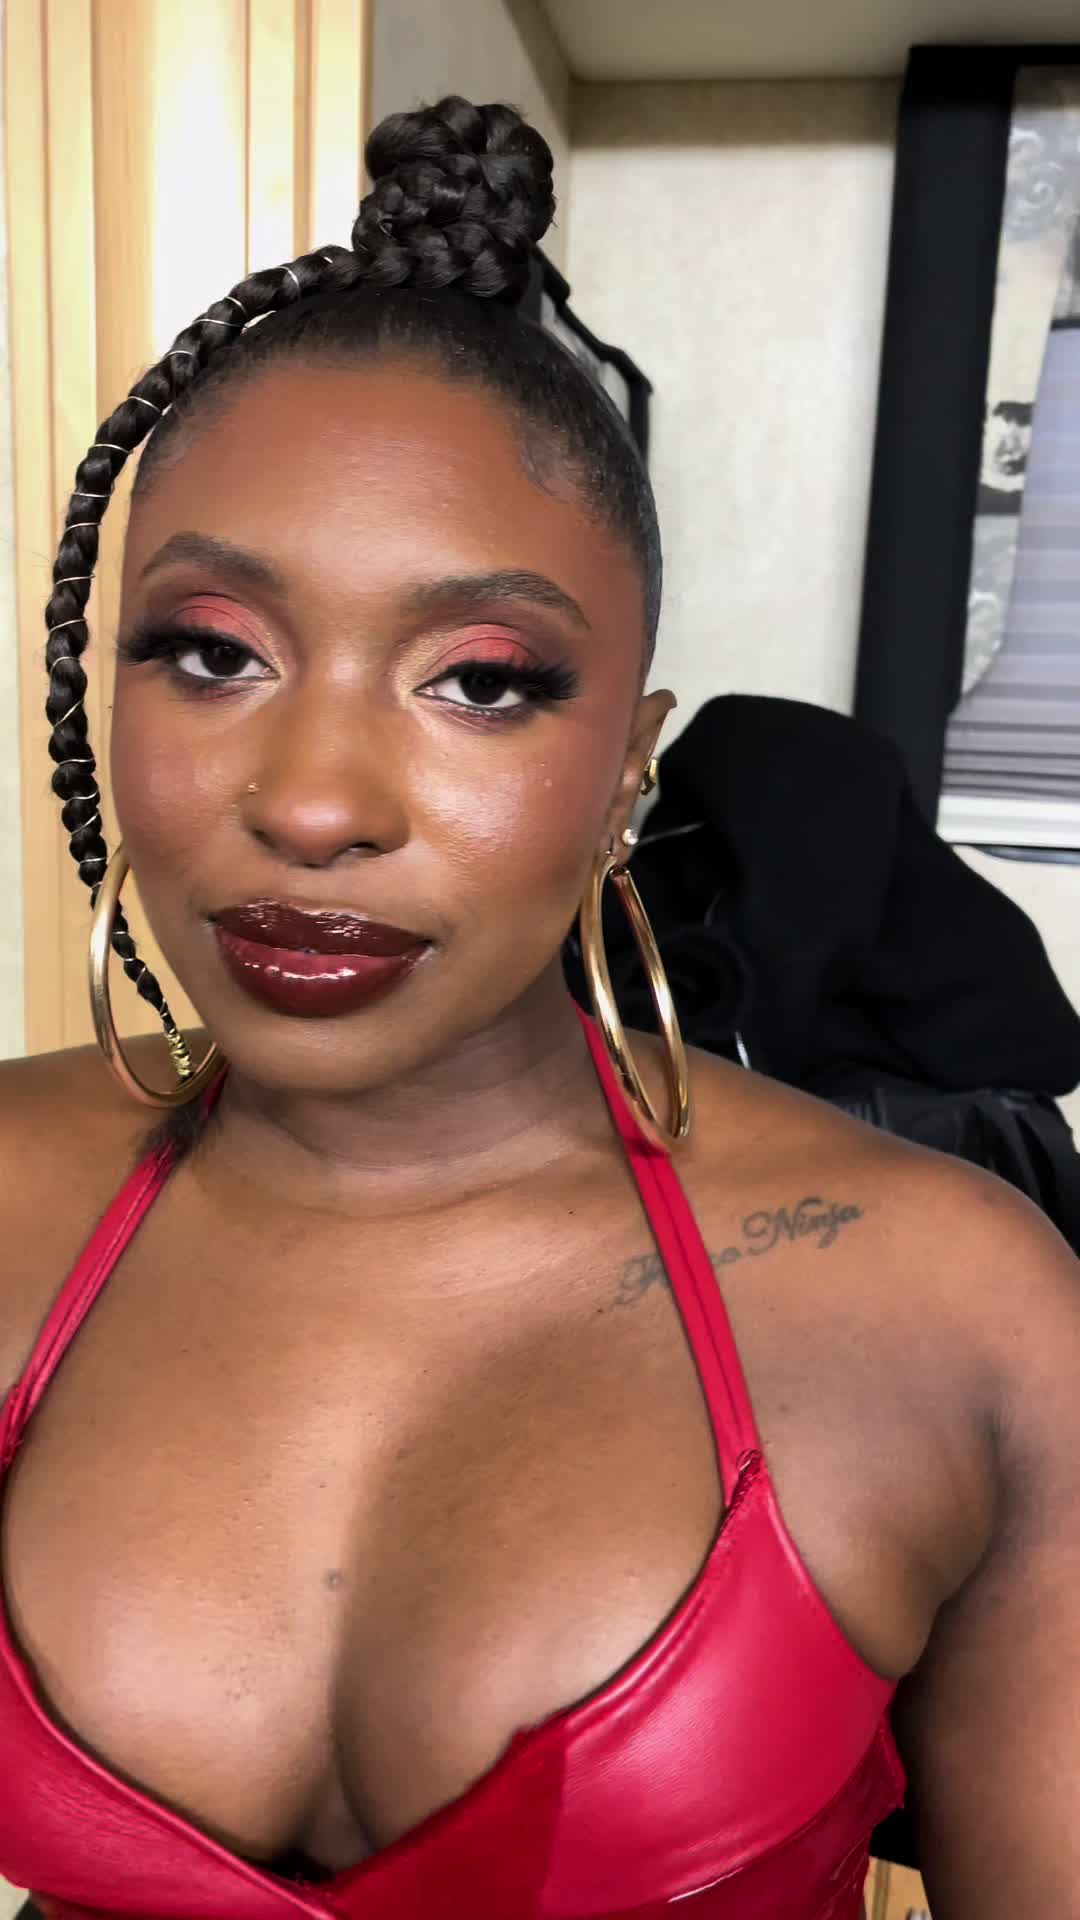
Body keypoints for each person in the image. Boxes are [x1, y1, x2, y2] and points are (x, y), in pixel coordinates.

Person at [1, 97, 1079, 1920]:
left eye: (482, 680)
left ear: (629, 767)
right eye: (212, 652)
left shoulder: (967, 1313)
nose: (314, 801)